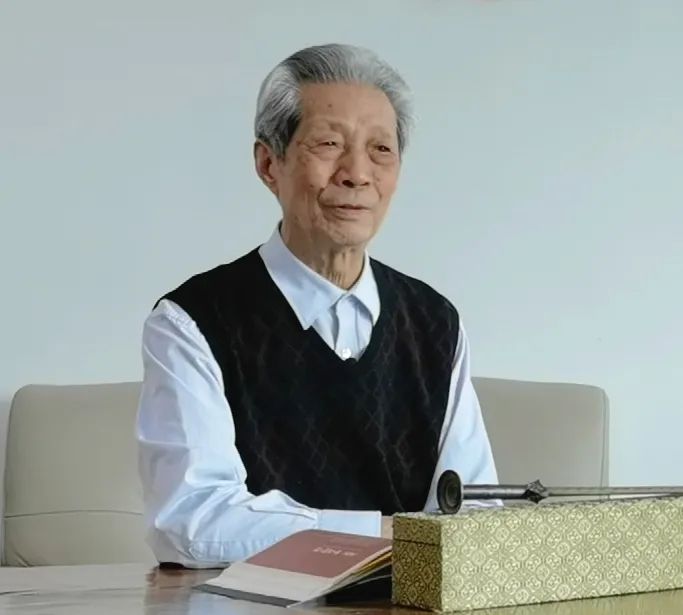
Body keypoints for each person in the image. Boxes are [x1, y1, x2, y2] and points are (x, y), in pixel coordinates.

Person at [135, 43, 499, 568]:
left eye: (381, 149)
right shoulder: (191, 322)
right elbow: (192, 521)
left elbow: (473, 513)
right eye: (329, 144)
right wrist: (388, 533)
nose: (357, 173)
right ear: (269, 163)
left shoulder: (434, 321)